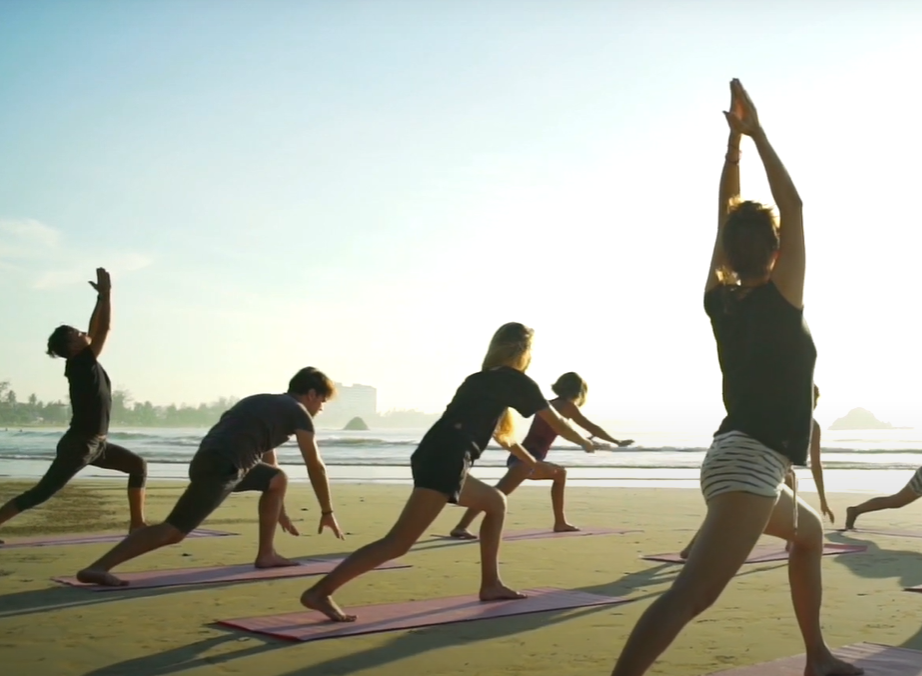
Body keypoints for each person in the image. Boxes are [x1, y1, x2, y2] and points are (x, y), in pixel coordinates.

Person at [610, 80, 861, 676]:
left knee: (807, 538)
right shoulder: (781, 297)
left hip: (741, 458)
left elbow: (726, 222)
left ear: (725, 253)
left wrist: (733, 150)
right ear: (775, 252)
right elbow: (794, 208)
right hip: (748, 463)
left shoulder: (718, 299)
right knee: (693, 595)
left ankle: (818, 657)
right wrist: (756, 134)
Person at [299, 322, 591, 622]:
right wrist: (586, 442)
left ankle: (491, 584)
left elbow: (505, 437)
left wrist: (531, 462)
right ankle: (320, 592)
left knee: (495, 503)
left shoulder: (478, 380)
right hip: (447, 457)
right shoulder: (515, 380)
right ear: (523, 351)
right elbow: (556, 421)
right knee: (398, 542)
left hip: (435, 453)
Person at [74, 367, 342, 586]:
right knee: (174, 531)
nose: (321, 408)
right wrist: (327, 511)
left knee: (277, 478)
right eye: (323, 400)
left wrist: (278, 503)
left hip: (210, 461)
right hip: (224, 466)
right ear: (310, 394)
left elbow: (267, 456)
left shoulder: (262, 402)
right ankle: (99, 567)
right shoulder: (299, 413)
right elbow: (315, 465)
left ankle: (266, 553)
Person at [0, 268, 149, 546]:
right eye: (78, 333)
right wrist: (108, 295)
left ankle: (137, 525)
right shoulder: (81, 363)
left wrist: (100, 299)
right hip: (80, 444)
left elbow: (96, 328)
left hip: (96, 445)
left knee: (138, 466)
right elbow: (104, 329)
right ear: (73, 346)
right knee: (42, 493)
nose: (84, 333)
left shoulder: (83, 361)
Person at [448, 371, 633, 539]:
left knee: (556, 475)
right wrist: (615, 441)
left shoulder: (550, 405)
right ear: (579, 391)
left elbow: (566, 429)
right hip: (528, 458)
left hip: (524, 457)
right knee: (498, 493)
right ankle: (461, 526)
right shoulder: (567, 406)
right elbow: (589, 426)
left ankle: (560, 522)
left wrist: (590, 442)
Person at [677, 383, 830, 558]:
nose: (813, 404)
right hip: (754, 471)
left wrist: (823, 500)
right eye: (811, 400)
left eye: (815, 400)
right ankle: (792, 538)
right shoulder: (795, 420)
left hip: (723, 466)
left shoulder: (799, 420)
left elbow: (816, 464)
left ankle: (693, 546)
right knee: (734, 508)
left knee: (724, 509)